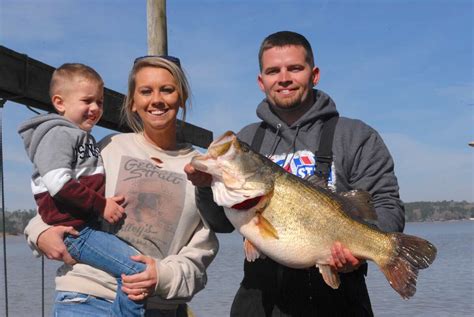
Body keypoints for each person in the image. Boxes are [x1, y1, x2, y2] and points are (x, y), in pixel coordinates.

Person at [185, 31, 405, 316]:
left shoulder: (357, 136)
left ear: (314, 75)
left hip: (340, 301)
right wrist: (204, 186)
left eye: (295, 68)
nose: (284, 78)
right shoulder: (247, 138)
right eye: (273, 71)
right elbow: (222, 224)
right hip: (259, 300)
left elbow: (386, 206)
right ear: (261, 81)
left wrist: (363, 251)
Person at [24, 56, 218, 317]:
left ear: (181, 97)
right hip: (86, 298)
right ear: (133, 103)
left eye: (167, 90)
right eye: (146, 91)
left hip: (157, 308)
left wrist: (159, 276)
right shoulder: (107, 146)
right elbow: (54, 198)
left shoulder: (201, 172)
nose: (157, 99)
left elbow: (199, 257)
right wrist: (40, 233)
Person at [18, 63, 147, 316]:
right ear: (59, 103)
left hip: (83, 225)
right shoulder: (58, 135)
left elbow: (81, 180)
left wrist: (103, 199)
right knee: (137, 272)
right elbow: (59, 183)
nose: (96, 108)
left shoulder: (82, 137)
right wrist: (102, 205)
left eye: (99, 102)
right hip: (77, 231)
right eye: (87, 100)